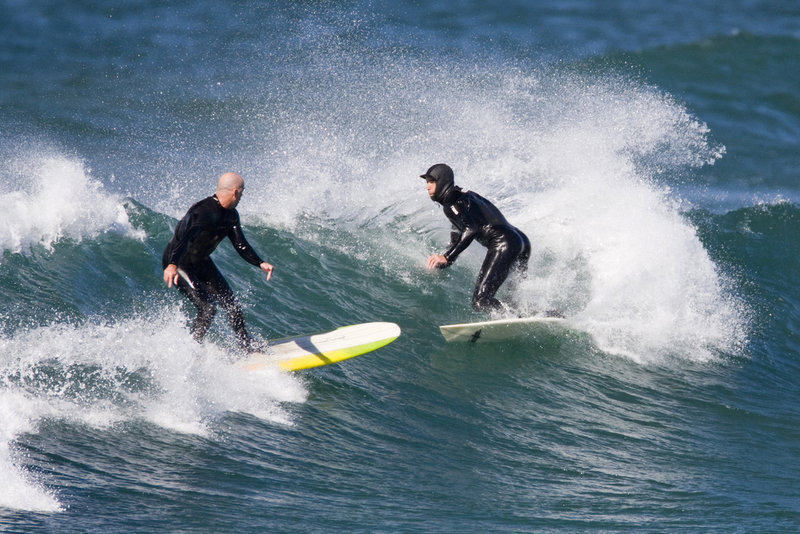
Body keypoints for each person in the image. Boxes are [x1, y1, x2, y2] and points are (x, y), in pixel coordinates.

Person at [162, 172, 274, 351]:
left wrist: (259, 263)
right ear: (235, 192)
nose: (241, 198)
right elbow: (182, 237)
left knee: (232, 305)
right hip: (180, 263)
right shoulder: (201, 211)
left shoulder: (231, 216)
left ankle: (245, 344)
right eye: (242, 193)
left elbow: (240, 244)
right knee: (208, 308)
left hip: (201, 262)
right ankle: (192, 349)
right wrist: (172, 264)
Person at [421, 163, 531, 312]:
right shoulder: (462, 196)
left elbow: (470, 229)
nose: (428, 187)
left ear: (442, 182)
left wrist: (448, 257)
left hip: (504, 244)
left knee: (480, 301)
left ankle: (519, 316)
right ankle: (538, 313)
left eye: (431, 182)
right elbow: (457, 238)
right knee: (513, 302)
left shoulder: (450, 203)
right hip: (521, 241)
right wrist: (442, 262)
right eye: (427, 182)